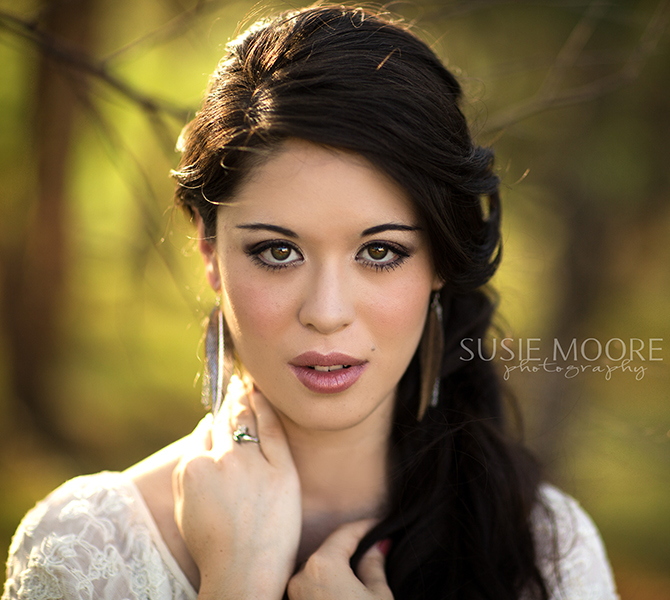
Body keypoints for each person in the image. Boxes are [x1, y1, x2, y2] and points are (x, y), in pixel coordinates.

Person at [3, 5, 618, 599]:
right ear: (210, 250)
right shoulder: (84, 549)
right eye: (277, 252)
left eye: (380, 253)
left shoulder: (545, 549)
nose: (326, 312)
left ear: (440, 263)